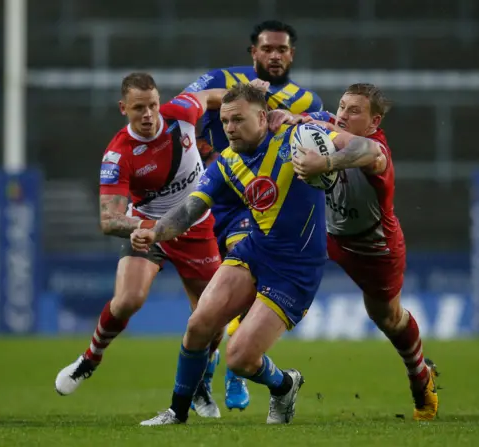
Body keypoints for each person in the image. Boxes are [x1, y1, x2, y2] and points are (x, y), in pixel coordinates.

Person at [130, 84, 385, 426]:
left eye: (238, 119)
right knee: (198, 326)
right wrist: (155, 231)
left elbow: (369, 149)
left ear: (263, 117)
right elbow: (189, 210)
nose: (230, 128)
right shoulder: (227, 163)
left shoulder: (299, 135)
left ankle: (284, 385)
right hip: (255, 250)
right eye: (224, 121)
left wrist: (326, 162)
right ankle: (176, 412)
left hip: (296, 268)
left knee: (239, 359)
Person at [54, 72, 229, 418]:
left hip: (195, 228)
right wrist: (140, 226)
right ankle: (90, 358)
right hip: (149, 229)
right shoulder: (118, 155)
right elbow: (109, 220)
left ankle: (199, 385)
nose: (148, 114)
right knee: (128, 300)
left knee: (212, 316)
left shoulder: (180, 112)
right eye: (138, 109)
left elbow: (210, 96)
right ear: (123, 109)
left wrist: (240, 100)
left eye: (152, 105)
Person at [184, 19, 324, 411]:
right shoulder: (223, 79)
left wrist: (298, 120)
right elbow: (182, 109)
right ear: (254, 53)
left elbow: (325, 128)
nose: (275, 56)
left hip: (258, 204)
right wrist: (224, 105)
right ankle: (206, 375)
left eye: (282, 50)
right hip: (217, 193)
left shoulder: (305, 100)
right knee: (205, 304)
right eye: (267, 49)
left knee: (241, 285)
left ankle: (232, 374)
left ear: (291, 54)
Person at [288, 83, 440, 421]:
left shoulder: (376, 149)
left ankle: (420, 377)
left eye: (354, 110)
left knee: (387, 318)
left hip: (374, 247)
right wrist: (279, 117)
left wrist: (324, 162)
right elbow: (299, 120)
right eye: (341, 107)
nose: (343, 114)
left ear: (375, 121)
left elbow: (369, 153)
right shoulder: (325, 125)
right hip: (329, 236)